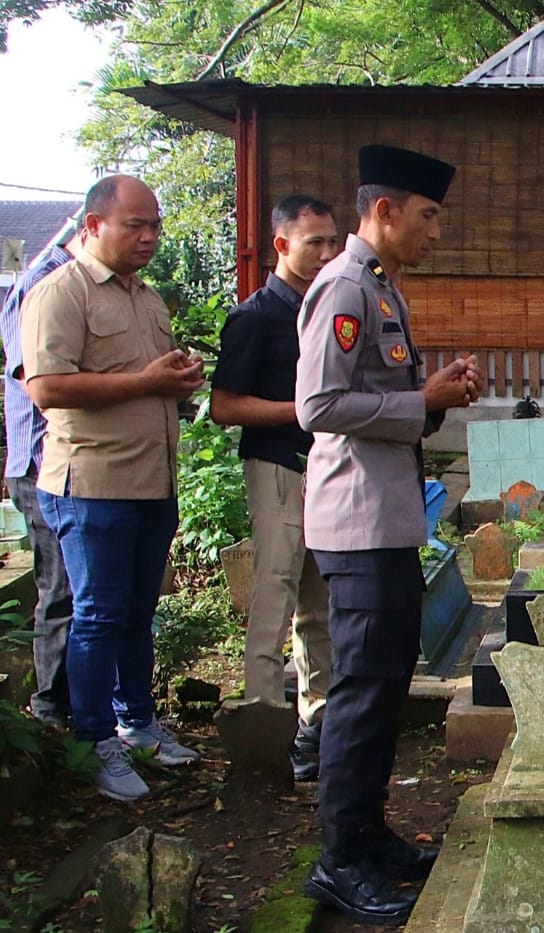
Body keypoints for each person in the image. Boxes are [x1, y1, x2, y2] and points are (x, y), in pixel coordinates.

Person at [295, 144, 480, 925]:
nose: (436, 230)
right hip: (357, 522)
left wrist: (433, 399)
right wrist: (419, 404)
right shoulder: (344, 288)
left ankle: (368, 839)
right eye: (428, 214)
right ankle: (340, 860)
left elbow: (385, 400)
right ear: (385, 210)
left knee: (382, 683)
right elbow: (318, 406)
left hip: (388, 518)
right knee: (362, 693)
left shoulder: (382, 290)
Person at [20, 175, 204, 800]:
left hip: (152, 480)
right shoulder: (59, 293)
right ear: (94, 225)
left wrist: (177, 380)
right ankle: (92, 739)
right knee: (96, 615)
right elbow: (45, 387)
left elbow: (149, 377)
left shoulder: (146, 297)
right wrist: (146, 382)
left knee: (135, 613)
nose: (149, 237)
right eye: (135, 225)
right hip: (92, 484)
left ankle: (138, 725)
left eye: (154, 225)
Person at [211, 195, 340, 782]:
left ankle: (319, 722)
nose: (326, 252)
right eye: (313, 241)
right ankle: (264, 715)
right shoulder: (255, 316)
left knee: (320, 599)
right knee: (276, 589)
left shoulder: (330, 303)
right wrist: (303, 410)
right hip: (277, 465)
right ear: (280, 244)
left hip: (330, 469)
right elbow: (224, 405)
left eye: (332, 241)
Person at [1, 222, 80, 728]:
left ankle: (78, 709)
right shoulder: (43, 285)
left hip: (72, 464)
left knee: (80, 589)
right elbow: (35, 378)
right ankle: (52, 710)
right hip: (39, 463)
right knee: (61, 588)